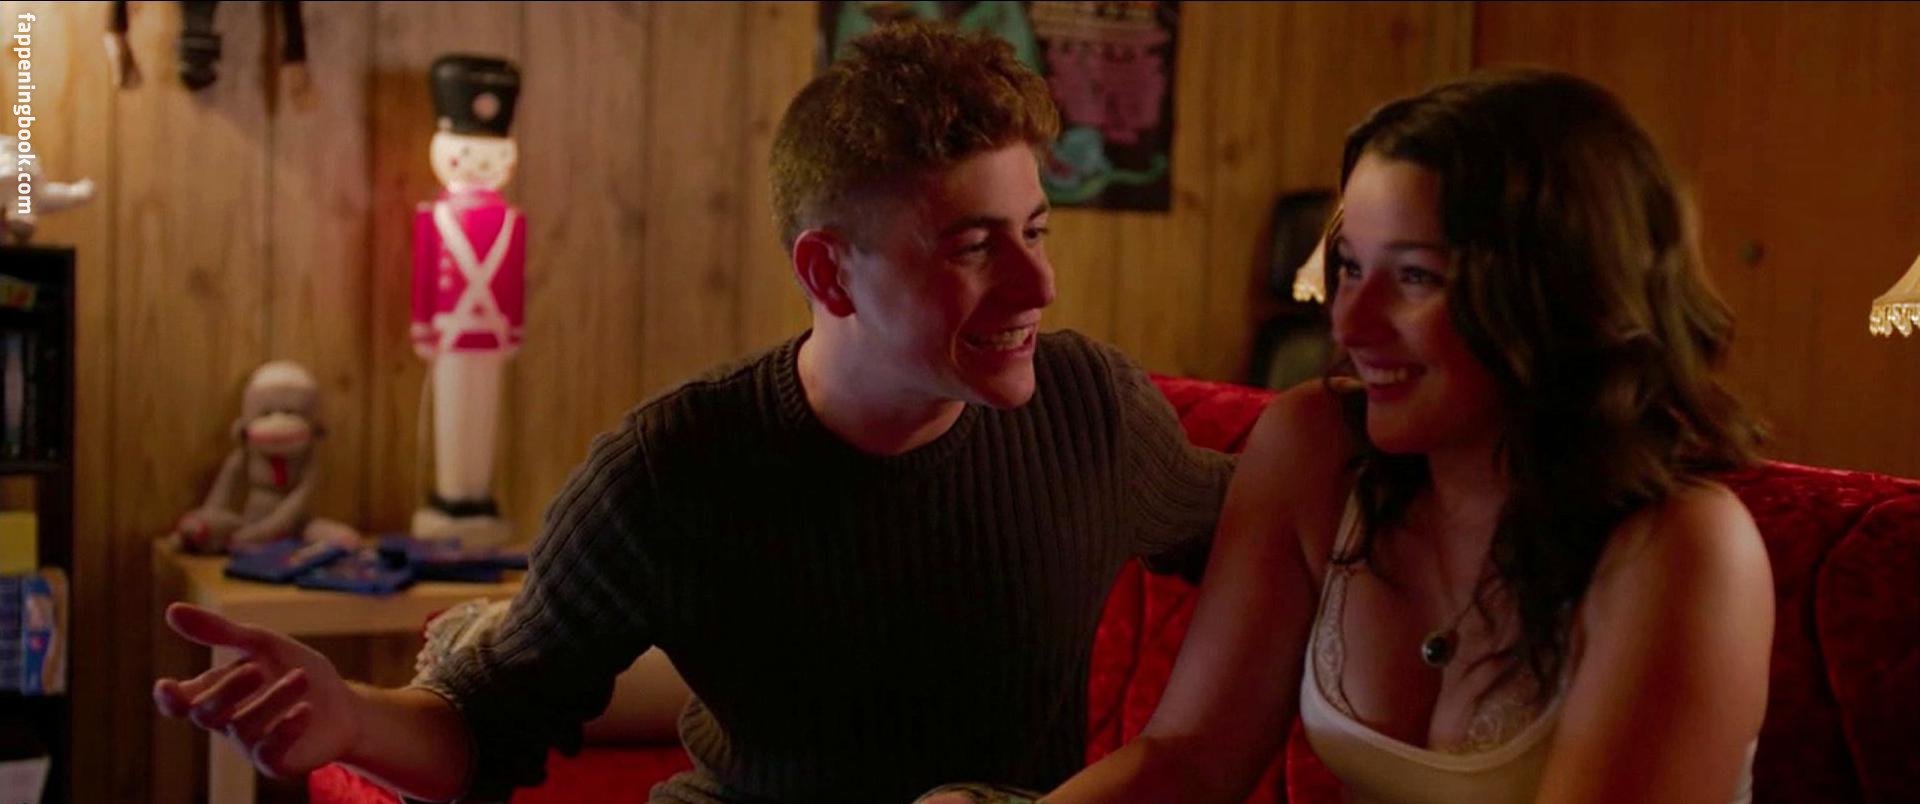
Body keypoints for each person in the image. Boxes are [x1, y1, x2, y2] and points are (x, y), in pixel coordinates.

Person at [151, 21, 1233, 804]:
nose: (1039, 286)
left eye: (1036, 231)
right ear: (828, 272)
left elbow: (1267, 524)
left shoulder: (1090, 412)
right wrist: (348, 717)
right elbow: (481, 728)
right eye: (974, 247)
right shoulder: (672, 470)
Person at [1038, 69, 1774, 804]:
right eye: (1351, 267)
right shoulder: (1313, 447)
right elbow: (1188, 760)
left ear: (1559, 292)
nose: (1349, 324)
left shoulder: (1682, 546)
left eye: (1416, 277)